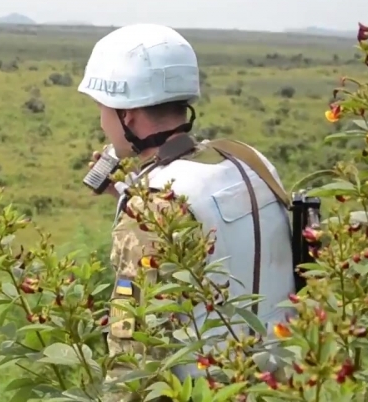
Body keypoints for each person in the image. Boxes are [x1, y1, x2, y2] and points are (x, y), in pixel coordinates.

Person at [78, 24, 296, 401]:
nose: (101, 121)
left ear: (126, 115)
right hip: (289, 377)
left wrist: (139, 210)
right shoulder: (249, 160)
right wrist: (130, 197)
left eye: (102, 109)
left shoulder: (154, 204)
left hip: (208, 389)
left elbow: (133, 346)